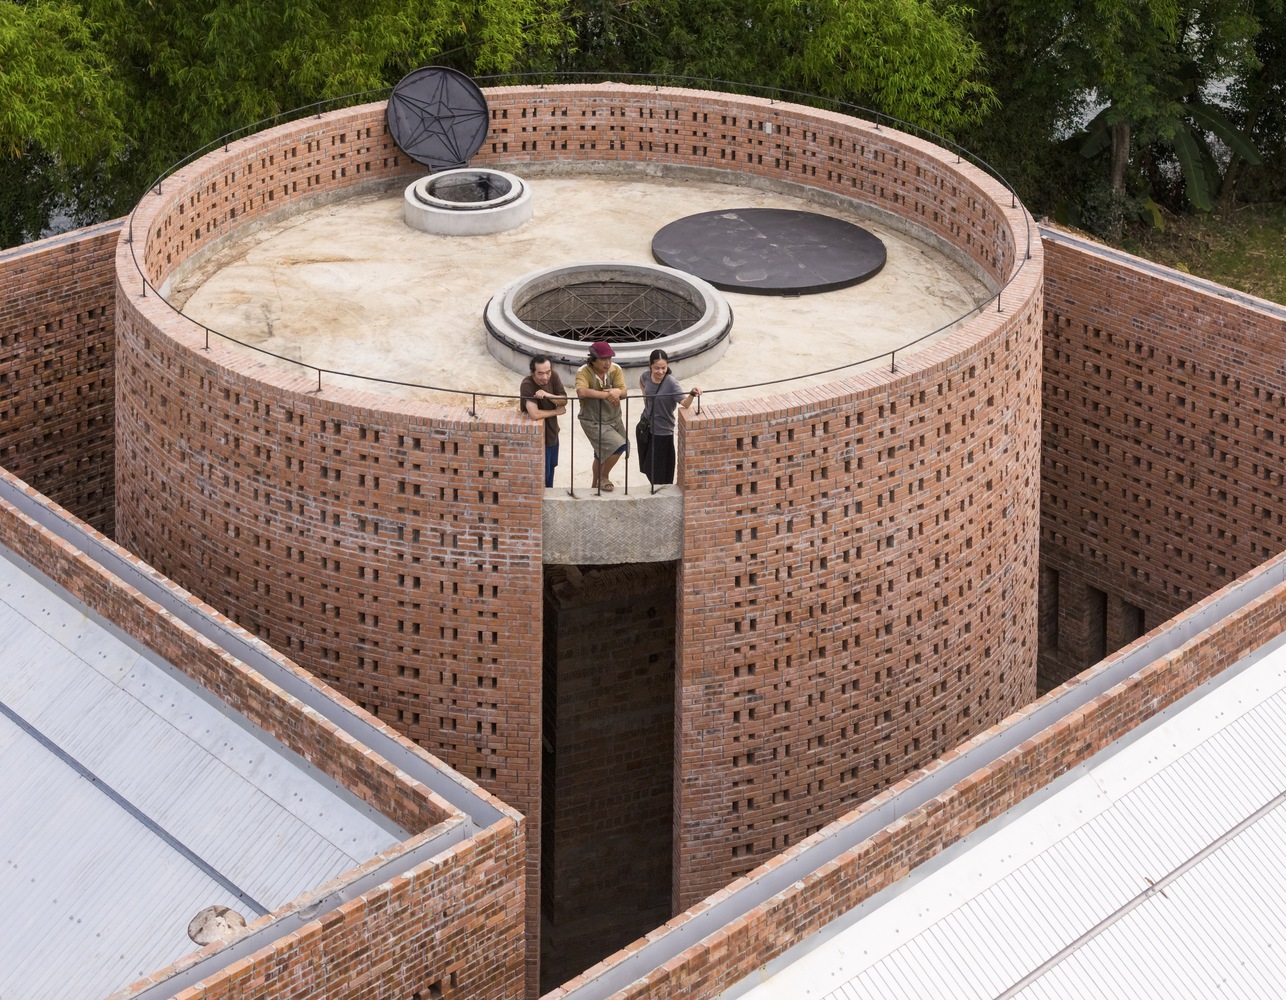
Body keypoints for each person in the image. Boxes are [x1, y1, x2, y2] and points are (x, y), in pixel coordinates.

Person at [637, 348, 700, 485]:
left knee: (660, 471)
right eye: (656, 368)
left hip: (663, 430)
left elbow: (684, 403)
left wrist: (692, 394)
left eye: (663, 368)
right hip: (646, 427)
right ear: (650, 366)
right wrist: (648, 407)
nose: (660, 371)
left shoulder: (671, 383)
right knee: (647, 465)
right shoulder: (645, 376)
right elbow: (644, 389)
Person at [575, 341, 628, 491]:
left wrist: (617, 392)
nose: (607, 362)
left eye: (609, 358)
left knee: (601, 453)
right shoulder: (583, 371)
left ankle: (594, 485)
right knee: (617, 445)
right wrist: (607, 394)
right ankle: (603, 477)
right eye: (603, 359)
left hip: (614, 418)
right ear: (593, 359)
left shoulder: (615, 369)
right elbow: (582, 392)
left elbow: (624, 391)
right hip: (593, 421)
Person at [519, 355, 568, 488]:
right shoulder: (527, 384)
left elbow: (564, 400)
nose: (545, 377)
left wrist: (548, 395)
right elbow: (534, 414)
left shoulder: (554, 377)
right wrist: (556, 412)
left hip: (552, 433)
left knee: (551, 470)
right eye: (540, 373)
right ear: (532, 373)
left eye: (548, 372)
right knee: (541, 477)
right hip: (538, 438)